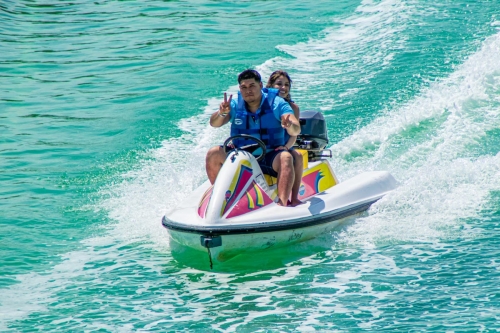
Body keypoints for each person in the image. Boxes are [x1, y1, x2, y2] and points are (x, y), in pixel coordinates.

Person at [205, 69, 301, 207]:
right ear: (240, 89)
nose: (248, 90)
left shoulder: (277, 103)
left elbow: (296, 128)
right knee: (213, 153)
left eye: (252, 86)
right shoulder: (234, 104)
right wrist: (221, 113)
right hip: (241, 158)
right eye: (244, 87)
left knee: (286, 157)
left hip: (269, 157)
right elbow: (214, 124)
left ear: (261, 86)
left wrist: (290, 124)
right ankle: (220, 202)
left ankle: (281, 204)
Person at [266, 70, 303, 206]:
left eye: (286, 85)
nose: (283, 88)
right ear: (270, 85)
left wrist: (286, 147)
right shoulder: (263, 105)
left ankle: (294, 198)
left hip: (284, 145)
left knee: (297, 155)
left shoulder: (293, 108)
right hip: (267, 148)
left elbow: (294, 134)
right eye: (279, 84)